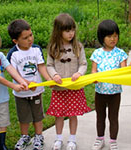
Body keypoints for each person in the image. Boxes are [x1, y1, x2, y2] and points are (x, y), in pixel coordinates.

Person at [46, 13, 91, 150]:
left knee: (73, 115)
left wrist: (79, 73)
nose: (71, 33)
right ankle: (58, 139)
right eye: (67, 30)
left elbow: (83, 64)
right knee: (59, 115)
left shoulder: (78, 46)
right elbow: (49, 65)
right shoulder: (53, 47)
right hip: (59, 89)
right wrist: (54, 76)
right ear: (58, 31)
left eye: (72, 30)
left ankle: (72, 139)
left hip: (74, 88)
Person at [7, 19, 52, 150]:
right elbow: (13, 73)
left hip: (36, 91)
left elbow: (41, 66)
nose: (30, 39)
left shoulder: (36, 49)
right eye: (25, 38)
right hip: (21, 93)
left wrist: (48, 79)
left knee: (37, 115)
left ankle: (39, 136)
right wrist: (27, 83)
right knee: (24, 117)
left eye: (31, 35)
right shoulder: (13, 54)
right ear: (15, 41)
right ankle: (25, 137)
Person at [90, 19, 128, 150]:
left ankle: (113, 140)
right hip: (100, 92)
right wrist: (94, 77)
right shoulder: (97, 54)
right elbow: (93, 71)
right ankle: (100, 139)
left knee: (113, 117)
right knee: (100, 117)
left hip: (115, 93)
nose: (113, 39)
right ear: (102, 37)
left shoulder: (120, 53)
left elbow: (124, 71)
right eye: (109, 36)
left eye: (115, 36)